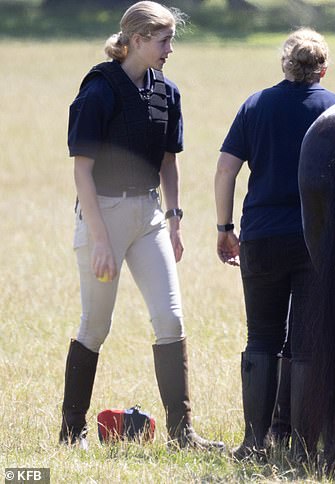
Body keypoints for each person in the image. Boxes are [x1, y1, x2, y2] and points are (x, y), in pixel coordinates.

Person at [60, 1, 223, 451]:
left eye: (171, 39)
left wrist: (174, 219)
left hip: (149, 216)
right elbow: (82, 171)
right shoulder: (98, 90)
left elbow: (169, 162)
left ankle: (182, 434)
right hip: (104, 218)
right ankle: (71, 432)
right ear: (135, 40)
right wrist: (99, 239)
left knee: (170, 319)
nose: (170, 49)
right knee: (95, 326)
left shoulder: (167, 92)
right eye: (163, 40)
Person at [214, 27, 335, 459]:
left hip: (262, 237)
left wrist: (224, 227)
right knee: (306, 343)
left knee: (261, 338)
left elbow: (225, 171)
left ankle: (253, 442)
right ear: (323, 68)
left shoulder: (255, 106)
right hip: (316, 242)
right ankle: (305, 447)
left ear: (284, 65)